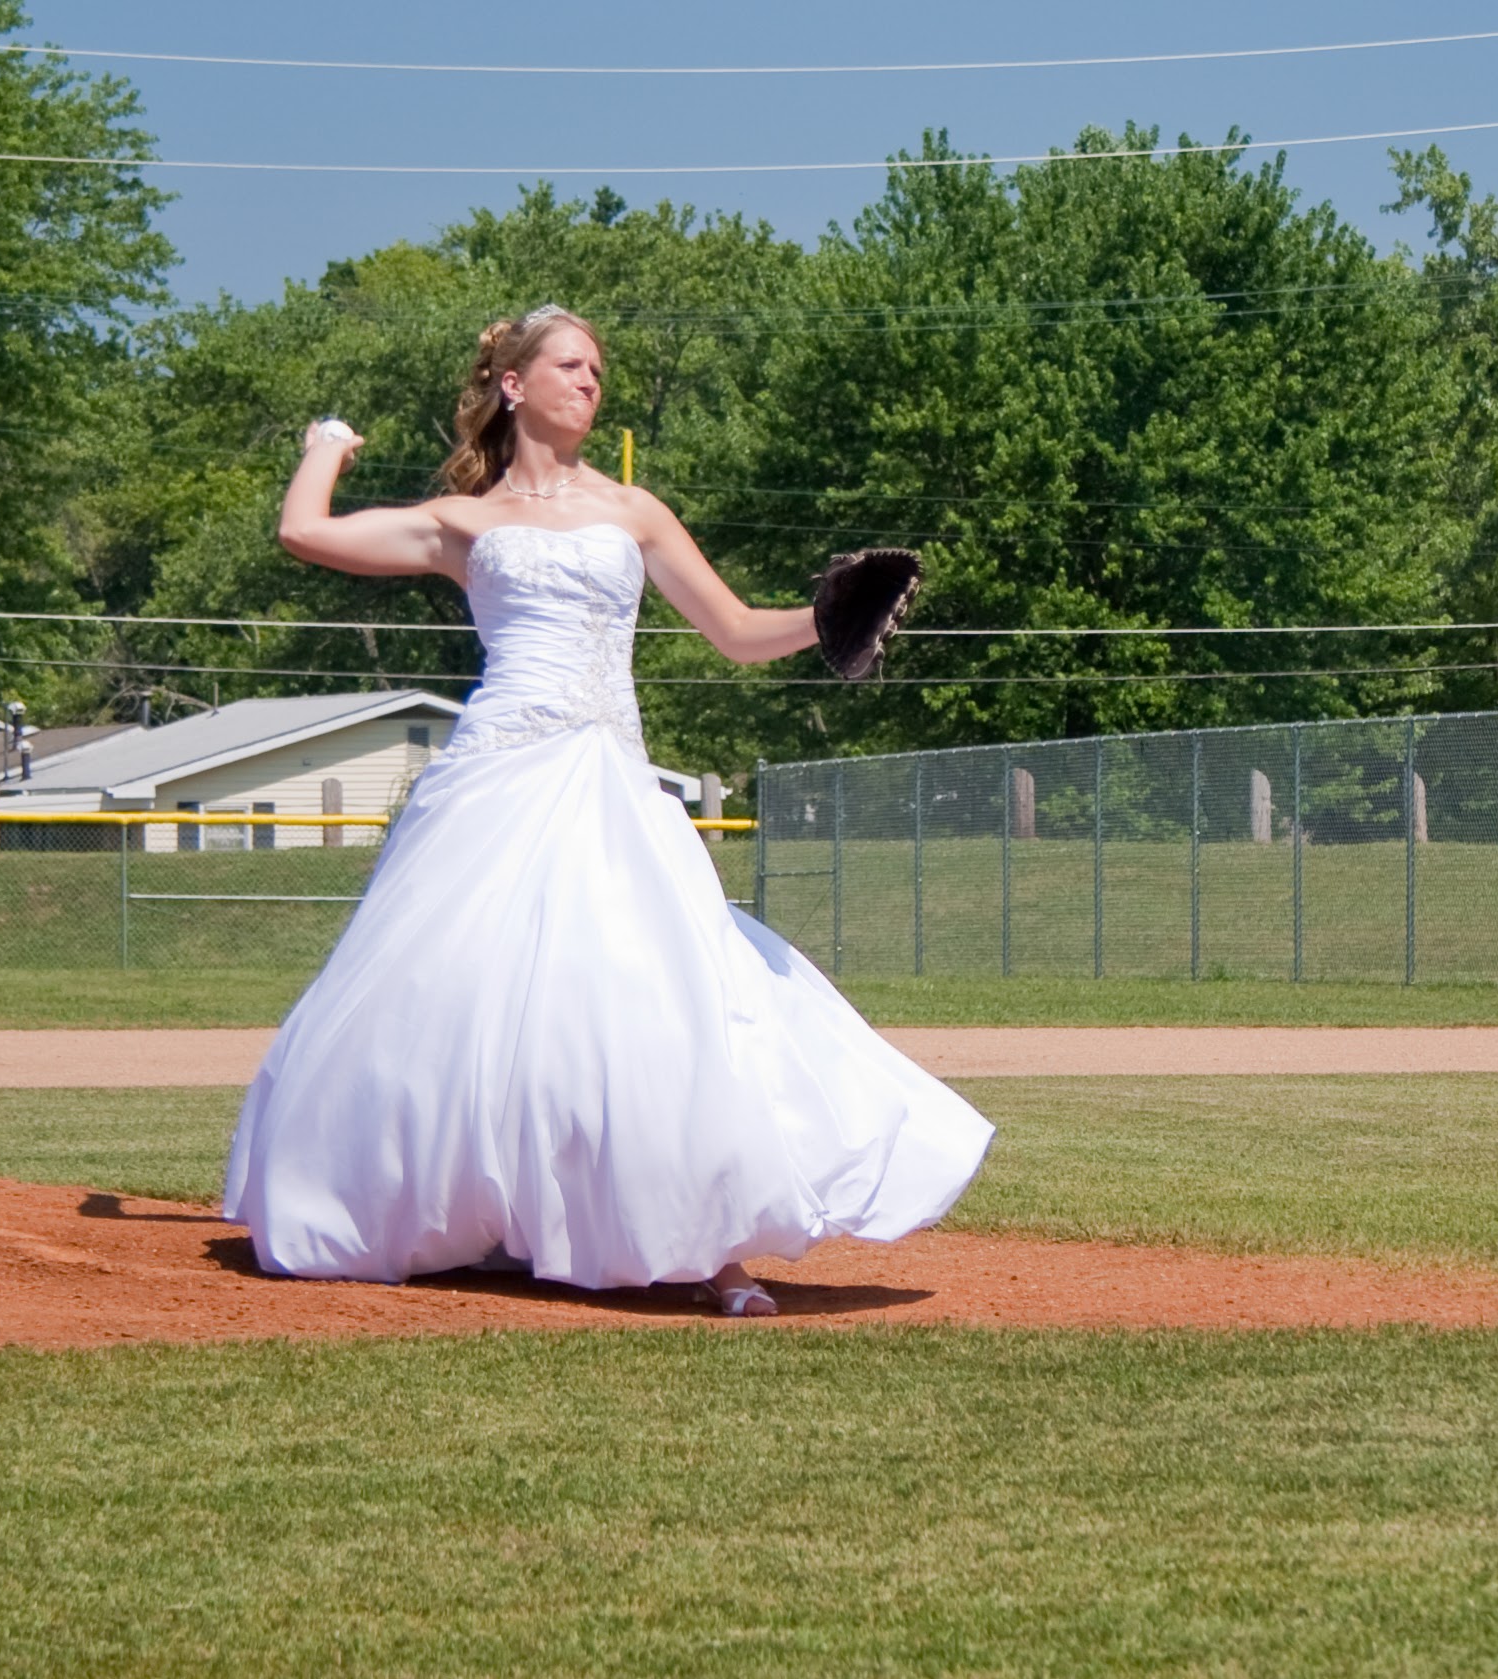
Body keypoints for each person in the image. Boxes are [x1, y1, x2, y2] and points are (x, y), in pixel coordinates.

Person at [222, 305, 994, 1317]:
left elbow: (732, 631)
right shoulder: (463, 521)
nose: (591, 380)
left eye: (598, 368)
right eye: (571, 364)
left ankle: (709, 1242)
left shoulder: (634, 511)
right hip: (497, 779)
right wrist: (327, 443)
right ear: (513, 384)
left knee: (656, 999)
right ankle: (486, 1211)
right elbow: (303, 531)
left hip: (609, 781)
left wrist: (821, 620)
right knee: (456, 1005)